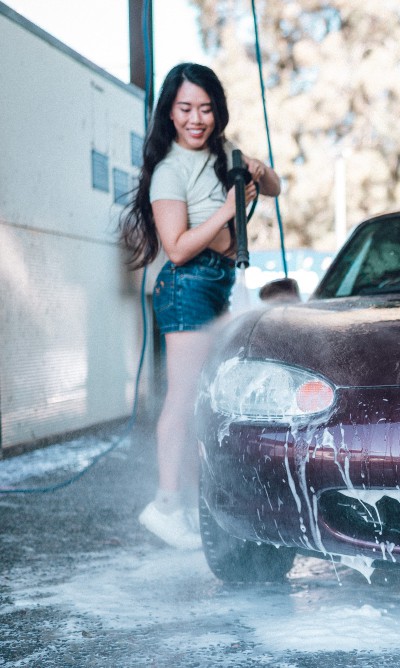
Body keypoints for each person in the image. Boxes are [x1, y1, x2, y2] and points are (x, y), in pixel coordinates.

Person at [119, 63, 281, 548]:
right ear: (169, 111)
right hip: (187, 286)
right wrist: (229, 210)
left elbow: (274, 189)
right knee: (185, 397)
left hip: (216, 286)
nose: (196, 118)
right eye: (186, 108)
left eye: (206, 108)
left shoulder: (221, 153)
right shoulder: (170, 170)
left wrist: (258, 171)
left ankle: (185, 502)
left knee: (206, 399)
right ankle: (165, 503)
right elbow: (177, 246)